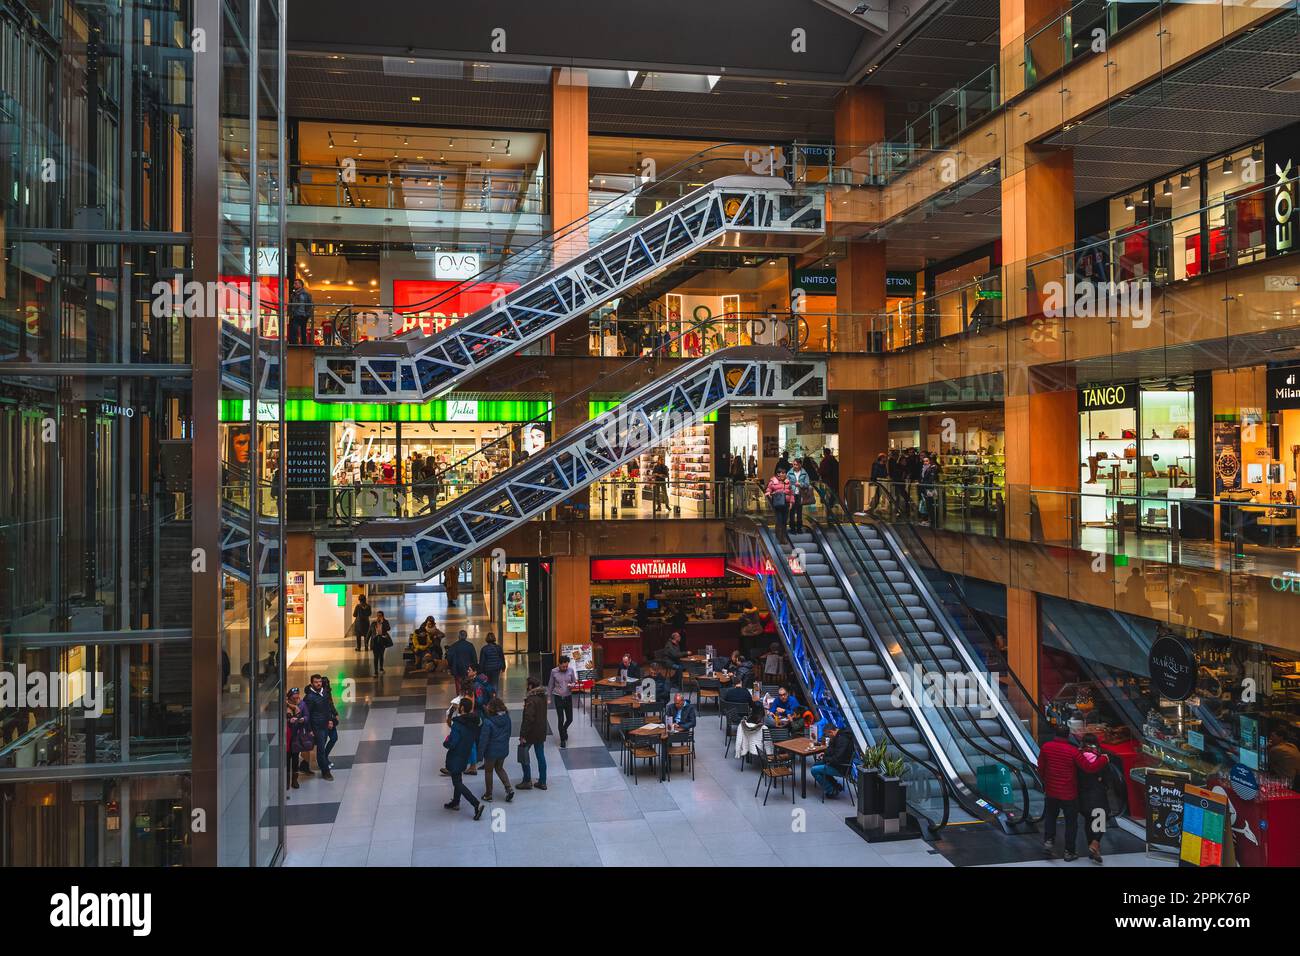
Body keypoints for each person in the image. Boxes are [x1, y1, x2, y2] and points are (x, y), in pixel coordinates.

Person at [1038, 723, 1088, 861]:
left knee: (1050, 817)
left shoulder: (1046, 747)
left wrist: (1045, 781)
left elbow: (1040, 767)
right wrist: (1102, 759)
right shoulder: (1073, 751)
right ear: (1068, 735)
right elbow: (1086, 766)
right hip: (1069, 793)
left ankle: (1049, 841)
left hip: (1051, 791)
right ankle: (1069, 851)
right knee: (1071, 822)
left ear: (1055, 734)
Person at [443, 697, 485, 819]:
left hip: (456, 754)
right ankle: (456, 802)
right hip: (465, 753)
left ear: (461, 708)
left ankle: (476, 804)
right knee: (458, 778)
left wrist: (446, 742)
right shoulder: (474, 722)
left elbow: (453, 742)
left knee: (457, 782)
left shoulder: (458, 724)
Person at [1077, 732, 1112, 864]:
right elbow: (1108, 779)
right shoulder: (1101, 759)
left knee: (1088, 821)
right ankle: (1095, 843)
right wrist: (1102, 783)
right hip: (1098, 794)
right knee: (1101, 819)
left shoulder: (1078, 758)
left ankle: (1093, 849)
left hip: (1083, 795)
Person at [477, 696, 515, 802]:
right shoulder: (507, 718)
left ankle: (488, 794)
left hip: (491, 752)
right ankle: (509, 788)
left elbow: (483, 740)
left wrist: (479, 755)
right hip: (503, 749)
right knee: (499, 768)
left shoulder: (488, 722)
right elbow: (509, 733)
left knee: (489, 771)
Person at [516, 676, 549, 790]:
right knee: (540, 755)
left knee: (523, 753)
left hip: (530, 732)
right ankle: (543, 781)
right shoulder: (543, 697)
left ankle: (527, 780)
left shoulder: (531, 700)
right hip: (541, 731)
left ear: (530, 686)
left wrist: (522, 734)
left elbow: (528, 719)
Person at [302, 674, 337, 780]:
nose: (319, 683)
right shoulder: (309, 697)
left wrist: (330, 720)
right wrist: (309, 730)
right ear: (312, 683)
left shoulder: (324, 693)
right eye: (316, 682)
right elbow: (307, 715)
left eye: (320, 681)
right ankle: (325, 771)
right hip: (317, 728)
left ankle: (324, 765)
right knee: (321, 749)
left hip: (325, 725)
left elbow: (328, 708)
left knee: (324, 744)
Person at [811, 724, 854, 798]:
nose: (828, 737)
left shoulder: (842, 740)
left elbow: (837, 758)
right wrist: (824, 754)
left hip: (841, 767)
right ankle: (835, 785)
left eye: (828, 735)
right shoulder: (838, 736)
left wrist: (825, 759)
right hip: (836, 764)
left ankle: (831, 790)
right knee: (816, 765)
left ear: (831, 732)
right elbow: (832, 750)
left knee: (814, 770)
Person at [548, 655, 577, 748]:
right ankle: (562, 740)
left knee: (570, 719)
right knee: (561, 719)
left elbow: (574, 681)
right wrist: (548, 697)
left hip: (568, 697)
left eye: (566, 666)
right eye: (563, 666)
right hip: (558, 697)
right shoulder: (553, 671)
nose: (565, 668)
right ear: (559, 664)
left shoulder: (571, 670)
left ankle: (564, 730)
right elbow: (550, 685)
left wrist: (572, 685)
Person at [286, 687, 308, 790]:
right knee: (286, 760)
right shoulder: (285, 706)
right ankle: (286, 780)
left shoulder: (302, 705)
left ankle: (294, 780)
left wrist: (302, 719)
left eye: (297, 697)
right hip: (286, 737)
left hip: (296, 736)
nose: (296, 699)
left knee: (295, 760)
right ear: (289, 698)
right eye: (293, 698)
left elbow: (307, 716)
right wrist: (288, 721)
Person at [765, 466, 793, 544]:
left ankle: (783, 538)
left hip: (786, 504)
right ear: (778, 474)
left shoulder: (788, 482)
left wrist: (791, 502)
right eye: (782, 473)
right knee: (779, 521)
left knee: (784, 521)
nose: (783, 474)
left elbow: (791, 493)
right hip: (777, 504)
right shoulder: (773, 481)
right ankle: (778, 538)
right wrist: (770, 494)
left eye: (784, 473)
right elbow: (768, 491)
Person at [446, 629, 478, 695]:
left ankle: (460, 697)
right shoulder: (470, 645)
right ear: (466, 636)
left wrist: (450, 667)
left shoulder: (454, 646)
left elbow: (449, 657)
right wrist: (474, 668)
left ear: (459, 636)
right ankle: (467, 697)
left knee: (458, 685)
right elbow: (474, 658)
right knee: (468, 684)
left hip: (457, 669)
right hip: (468, 669)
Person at [787, 458, 811, 534]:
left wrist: (800, 484)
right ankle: (792, 528)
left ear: (800, 465)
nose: (795, 466)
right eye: (793, 464)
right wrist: (790, 486)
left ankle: (799, 528)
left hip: (800, 494)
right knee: (792, 512)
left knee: (799, 511)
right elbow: (786, 482)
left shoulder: (804, 473)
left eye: (796, 464)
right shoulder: (789, 473)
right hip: (792, 494)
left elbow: (807, 484)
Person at [288, 277, 313, 345]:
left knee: (303, 330)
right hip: (295, 315)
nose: (294, 285)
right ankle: (294, 344)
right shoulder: (293, 294)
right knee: (294, 330)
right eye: (294, 283)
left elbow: (310, 305)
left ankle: (304, 344)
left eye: (296, 283)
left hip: (303, 315)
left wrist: (307, 314)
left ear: (301, 285)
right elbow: (290, 305)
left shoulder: (306, 294)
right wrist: (290, 314)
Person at [368, 610, 392, 675]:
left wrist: (382, 622)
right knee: (375, 657)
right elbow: (369, 632)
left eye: (380, 616)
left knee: (381, 655)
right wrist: (366, 642)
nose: (378, 617)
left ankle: (381, 668)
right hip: (375, 641)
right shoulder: (373, 623)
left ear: (383, 616)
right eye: (377, 616)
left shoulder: (385, 622)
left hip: (382, 641)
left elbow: (388, 628)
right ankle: (375, 671)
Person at [919, 454, 940, 525]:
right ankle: (931, 520)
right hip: (927, 488)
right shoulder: (926, 468)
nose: (926, 462)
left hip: (930, 488)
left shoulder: (933, 468)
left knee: (931, 504)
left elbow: (931, 479)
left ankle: (933, 520)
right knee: (928, 505)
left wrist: (923, 484)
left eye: (928, 460)